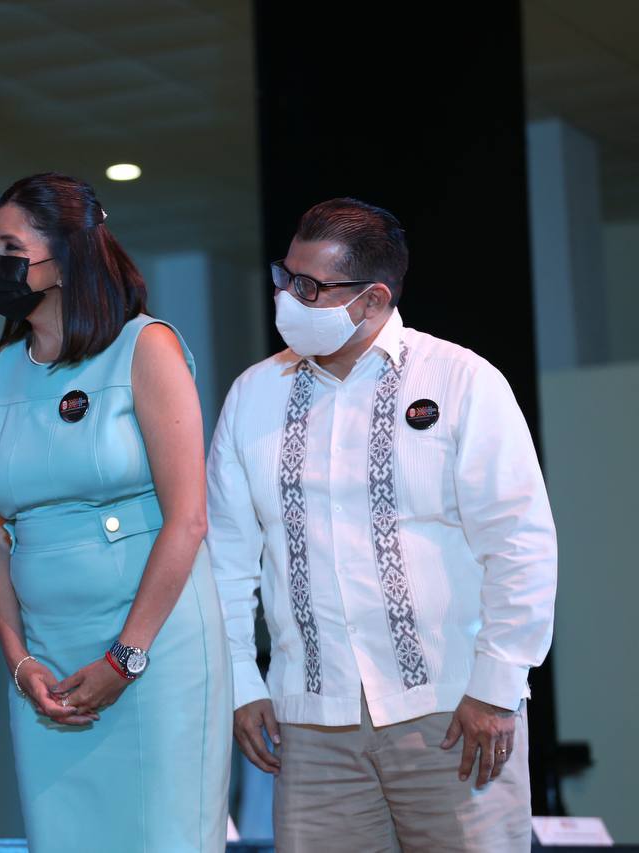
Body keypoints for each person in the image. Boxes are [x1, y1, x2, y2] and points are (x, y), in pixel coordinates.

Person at [207, 198, 557, 852]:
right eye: (285, 276)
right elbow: (224, 559)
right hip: (310, 726)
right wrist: (240, 683)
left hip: (453, 713)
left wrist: (496, 688)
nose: (287, 297)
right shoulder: (254, 395)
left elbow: (520, 545)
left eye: (310, 288)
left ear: (372, 299)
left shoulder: (461, 381)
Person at [0, 172, 232, 851]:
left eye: (10, 245)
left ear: (67, 255)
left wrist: (126, 657)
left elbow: (189, 519)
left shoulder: (147, 346)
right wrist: (19, 660)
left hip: (154, 651)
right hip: (48, 667)